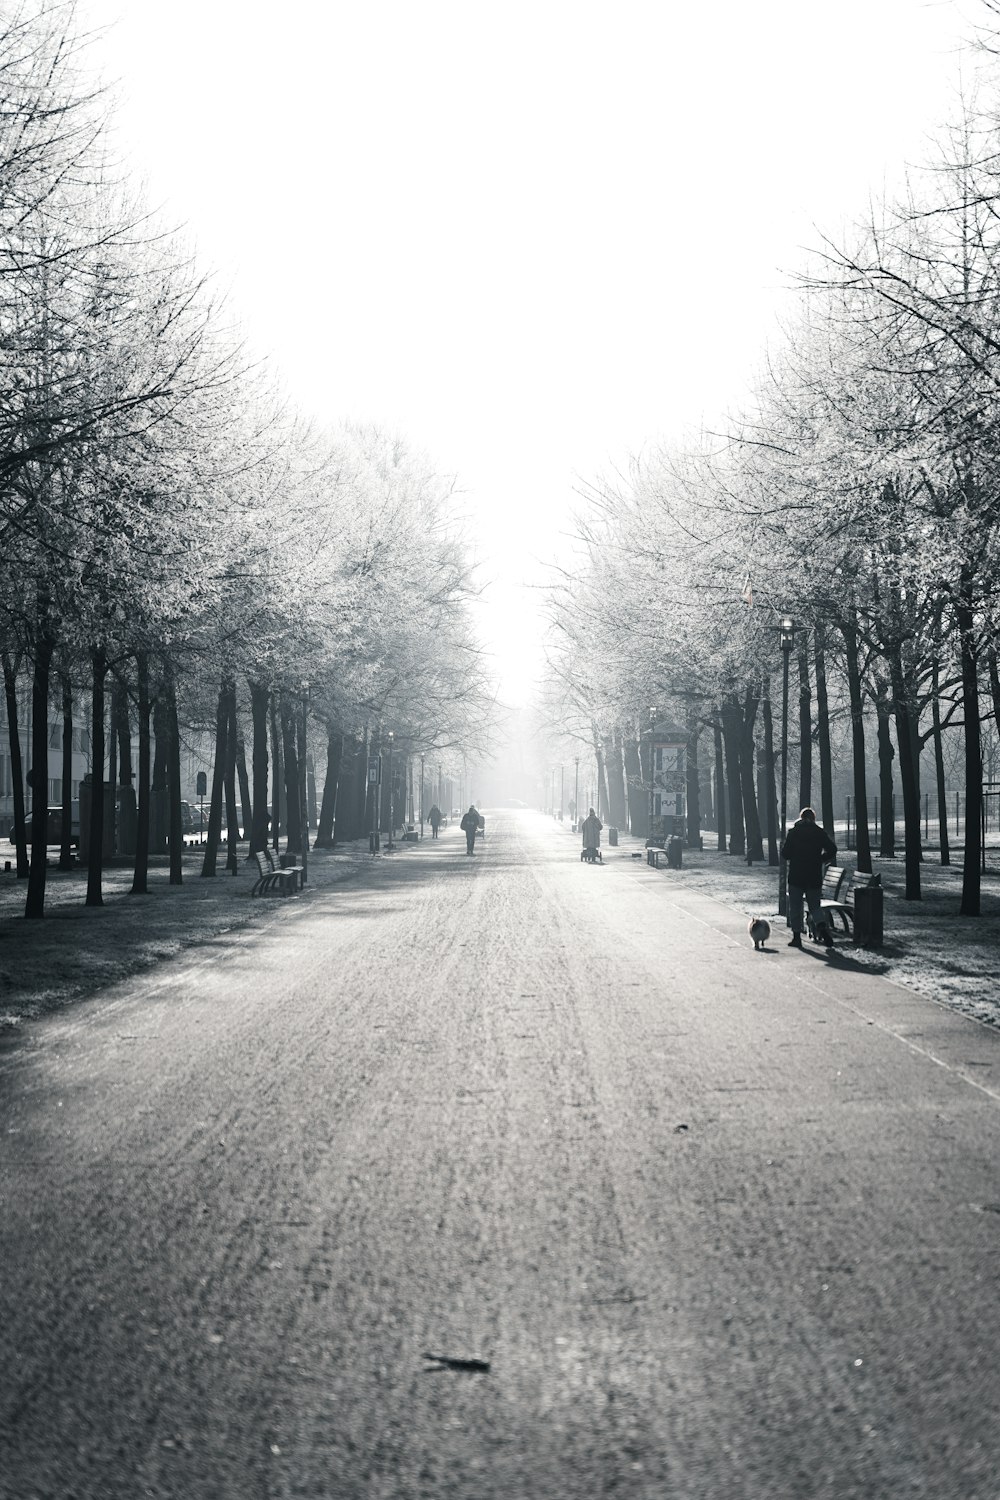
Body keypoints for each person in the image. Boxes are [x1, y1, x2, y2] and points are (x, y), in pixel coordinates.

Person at [780, 807, 837, 948]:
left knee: (795, 907)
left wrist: (793, 855)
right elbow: (832, 849)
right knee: (815, 907)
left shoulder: (793, 833)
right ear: (813, 818)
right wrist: (821, 859)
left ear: (801, 817)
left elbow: (785, 854)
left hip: (796, 876)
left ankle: (796, 937)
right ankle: (822, 928)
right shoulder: (819, 832)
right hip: (813, 876)